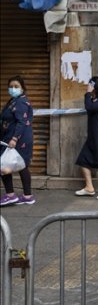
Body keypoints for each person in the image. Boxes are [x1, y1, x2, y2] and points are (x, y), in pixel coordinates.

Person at [0, 75, 35, 206]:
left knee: (3, 165)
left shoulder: (20, 102)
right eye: (11, 86)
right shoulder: (14, 100)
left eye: (16, 86)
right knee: (22, 166)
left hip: (17, 139)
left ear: (22, 88)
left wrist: (14, 139)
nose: (13, 89)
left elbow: (22, 122)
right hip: (11, 138)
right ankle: (27, 196)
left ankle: (10, 195)